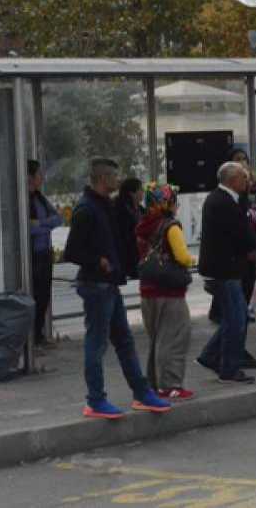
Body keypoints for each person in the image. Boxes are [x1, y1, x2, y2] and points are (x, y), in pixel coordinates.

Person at [63, 157, 171, 418]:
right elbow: (72, 251)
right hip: (96, 284)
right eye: (114, 176)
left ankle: (141, 393)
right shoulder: (86, 209)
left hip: (109, 284)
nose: (118, 180)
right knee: (97, 343)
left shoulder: (106, 206)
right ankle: (95, 400)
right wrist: (98, 261)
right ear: (102, 179)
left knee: (124, 341)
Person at [196, 162, 256, 385]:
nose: (247, 181)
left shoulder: (227, 199)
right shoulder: (222, 202)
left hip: (227, 269)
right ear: (232, 180)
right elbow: (239, 232)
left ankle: (210, 356)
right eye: (243, 177)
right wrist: (250, 248)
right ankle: (229, 369)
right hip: (223, 270)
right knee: (236, 320)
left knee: (235, 318)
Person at [135, 182, 196, 402]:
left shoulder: (143, 225)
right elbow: (181, 256)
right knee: (175, 337)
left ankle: (154, 384)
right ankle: (171, 386)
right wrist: (192, 260)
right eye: (173, 201)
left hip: (148, 290)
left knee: (157, 339)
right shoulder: (171, 226)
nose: (176, 206)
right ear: (166, 203)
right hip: (169, 292)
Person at [28, 160, 62, 346]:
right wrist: (45, 226)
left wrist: (41, 224)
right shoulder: (23, 200)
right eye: (39, 174)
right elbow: (27, 228)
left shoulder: (40, 198)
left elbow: (58, 219)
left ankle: (38, 335)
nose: (42, 178)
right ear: (29, 177)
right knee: (34, 295)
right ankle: (32, 337)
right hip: (31, 256)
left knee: (43, 296)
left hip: (44, 253)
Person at [114, 177, 144, 280]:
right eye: (140, 189)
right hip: (127, 259)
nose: (143, 192)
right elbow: (123, 236)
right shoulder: (120, 209)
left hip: (140, 256)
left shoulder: (141, 209)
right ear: (132, 193)